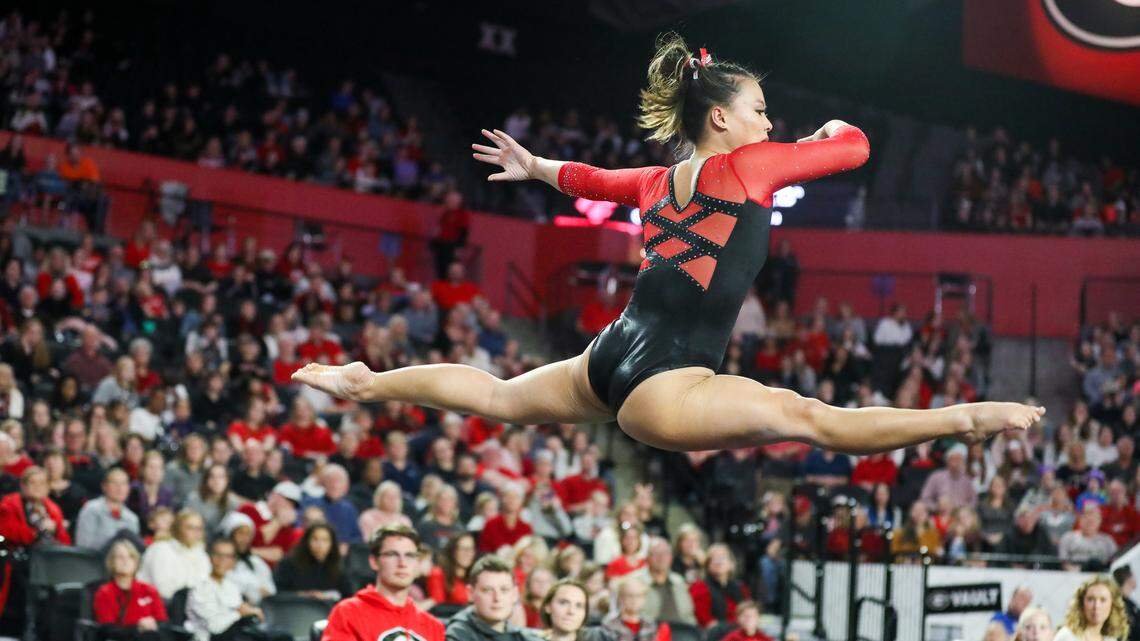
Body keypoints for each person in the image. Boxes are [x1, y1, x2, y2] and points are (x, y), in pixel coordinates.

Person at [292, 33, 1043, 460]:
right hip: (667, 384)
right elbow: (857, 146)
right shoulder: (748, 167)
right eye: (758, 110)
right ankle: (967, 419)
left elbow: (589, 177)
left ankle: (367, 381)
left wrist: (535, 166)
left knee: (498, 395)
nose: (769, 123)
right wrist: (822, 136)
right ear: (720, 119)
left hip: (613, 355)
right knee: (811, 419)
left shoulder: (660, 180)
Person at [322, 525, 445, 641]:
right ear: (374, 562)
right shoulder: (348, 613)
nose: (402, 563)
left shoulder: (433, 627)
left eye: (409, 555)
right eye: (392, 554)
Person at [186, 537, 290, 641]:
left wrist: (249, 612)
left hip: (234, 635)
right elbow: (214, 627)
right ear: (209, 557)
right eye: (218, 555)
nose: (222, 560)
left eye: (228, 556)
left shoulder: (231, 586)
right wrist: (240, 613)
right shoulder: (200, 586)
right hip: (209, 638)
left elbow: (239, 611)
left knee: (281, 636)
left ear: (233, 561)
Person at [444, 555, 542, 641]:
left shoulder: (524, 637)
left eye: (504, 590)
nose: (497, 598)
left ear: (515, 594)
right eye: (487, 590)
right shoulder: (458, 634)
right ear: (470, 593)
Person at [92, 541, 170, 640]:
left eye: (131, 557)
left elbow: (163, 623)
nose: (126, 561)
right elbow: (107, 629)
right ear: (111, 562)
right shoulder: (104, 592)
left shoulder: (149, 590)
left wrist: (152, 625)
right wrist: (137, 628)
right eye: (120, 557)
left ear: (136, 562)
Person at [138, 509, 211, 600]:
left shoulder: (202, 555)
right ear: (178, 529)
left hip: (189, 604)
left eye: (199, 529)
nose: (196, 533)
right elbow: (163, 590)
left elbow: (205, 586)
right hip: (156, 603)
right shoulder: (160, 549)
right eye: (190, 528)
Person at [273, 523, 354, 601]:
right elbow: (278, 592)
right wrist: (303, 595)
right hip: (295, 609)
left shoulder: (339, 566)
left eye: (325, 540)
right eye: (315, 539)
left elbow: (348, 596)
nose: (320, 545)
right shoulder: (289, 563)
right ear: (306, 541)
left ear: (332, 544)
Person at [631, 536, 696, 625]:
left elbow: (688, 614)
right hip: (650, 632)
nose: (661, 558)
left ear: (671, 557)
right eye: (656, 554)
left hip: (681, 631)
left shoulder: (678, 580)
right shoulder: (635, 581)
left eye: (666, 553)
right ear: (647, 558)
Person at [76, 467, 141, 551]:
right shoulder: (91, 509)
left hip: (123, 562)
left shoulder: (132, 518)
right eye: (114, 483)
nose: (119, 488)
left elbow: (133, 552)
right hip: (94, 560)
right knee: (124, 534)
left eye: (124, 483)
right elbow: (83, 546)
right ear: (104, 486)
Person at [220, 512, 276, 606]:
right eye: (241, 533)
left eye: (248, 534)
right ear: (230, 535)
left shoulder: (256, 563)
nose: (245, 539)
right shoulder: (219, 561)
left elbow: (269, 592)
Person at [689, 543, 750, 628]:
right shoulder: (699, 588)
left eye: (722, 557)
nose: (718, 561)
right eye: (713, 558)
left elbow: (749, 614)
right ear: (708, 565)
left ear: (731, 564)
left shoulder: (741, 587)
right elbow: (706, 622)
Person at [1054, 575, 1130, 641]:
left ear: (1112, 605)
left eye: (1103, 600)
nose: (1096, 606)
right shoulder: (1067, 636)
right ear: (1081, 603)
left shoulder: (1110, 640)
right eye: (1090, 599)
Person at [603, 576, 672, 641]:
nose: (634, 600)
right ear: (621, 598)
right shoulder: (610, 624)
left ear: (644, 599)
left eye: (638, 596)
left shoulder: (649, 624)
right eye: (630, 595)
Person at [426, 533, 476, 606]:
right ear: (453, 551)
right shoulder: (438, 573)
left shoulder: (475, 576)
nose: (468, 553)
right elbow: (438, 606)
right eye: (463, 549)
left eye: (471, 549)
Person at [1112, 566, 1140, 641]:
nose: (1136, 579)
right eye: (1133, 577)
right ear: (1129, 579)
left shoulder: (1129, 603)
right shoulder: (1122, 605)